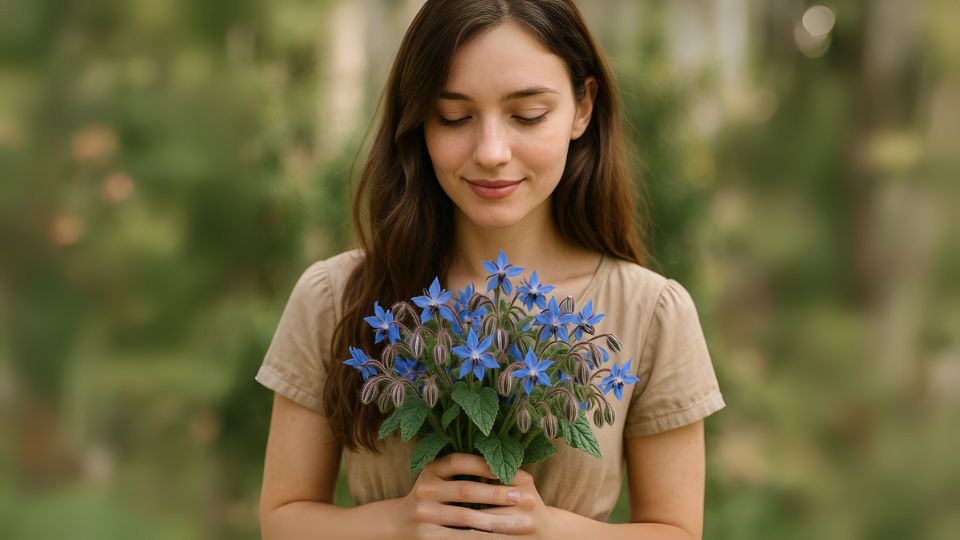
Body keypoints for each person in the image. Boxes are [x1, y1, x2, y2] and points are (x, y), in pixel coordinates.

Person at [256, 1, 725, 538]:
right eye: (453, 116)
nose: (491, 151)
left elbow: (676, 531)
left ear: (582, 107)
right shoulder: (334, 297)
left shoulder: (652, 313)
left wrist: (547, 528)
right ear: (417, 120)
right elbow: (282, 520)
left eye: (527, 114)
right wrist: (398, 522)